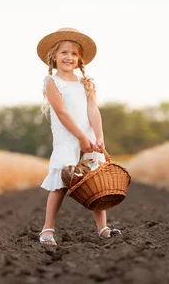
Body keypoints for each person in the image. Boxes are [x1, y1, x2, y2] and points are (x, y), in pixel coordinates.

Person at [36, 27, 121, 246]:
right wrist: (80, 138)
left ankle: (103, 228)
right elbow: (62, 113)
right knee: (61, 185)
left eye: (74, 54)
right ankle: (47, 229)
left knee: (97, 182)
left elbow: (93, 110)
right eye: (64, 52)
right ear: (54, 56)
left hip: (89, 139)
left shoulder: (85, 84)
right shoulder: (52, 82)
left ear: (80, 59)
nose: (69, 57)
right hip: (68, 138)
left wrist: (98, 136)